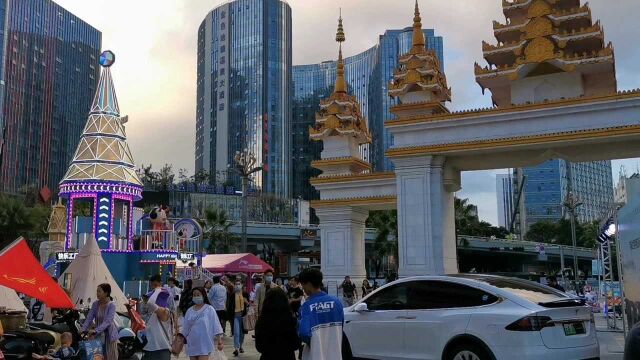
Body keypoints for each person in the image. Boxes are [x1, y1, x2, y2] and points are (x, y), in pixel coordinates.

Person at [297, 268, 344, 360]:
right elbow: (341, 326)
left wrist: (315, 342)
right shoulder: (337, 302)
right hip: (335, 353)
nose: (303, 289)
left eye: (303, 286)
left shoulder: (307, 306)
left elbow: (303, 333)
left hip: (315, 355)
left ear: (309, 284)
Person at [255, 288, 301, 360]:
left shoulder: (261, 321)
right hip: (288, 356)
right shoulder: (291, 320)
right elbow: (296, 344)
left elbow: (259, 347)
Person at [182, 287, 224, 360]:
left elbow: (216, 325)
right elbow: (185, 328)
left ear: (203, 295)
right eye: (194, 295)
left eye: (198, 295)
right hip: (192, 343)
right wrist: (181, 340)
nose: (196, 297)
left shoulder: (210, 309)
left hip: (205, 344)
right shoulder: (189, 311)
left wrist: (219, 341)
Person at [81, 283, 119, 360]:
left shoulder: (112, 305)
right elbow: (89, 317)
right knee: (95, 357)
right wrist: (83, 329)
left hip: (108, 335)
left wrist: (96, 330)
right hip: (97, 334)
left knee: (108, 356)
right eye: (97, 291)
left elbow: (108, 321)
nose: (97, 293)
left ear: (106, 293)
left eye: (99, 291)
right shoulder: (95, 304)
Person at [139, 291, 173, 360]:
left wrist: (157, 290)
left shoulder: (165, 312)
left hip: (161, 351)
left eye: (150, 298)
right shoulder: (153, 314)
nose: (146, 301)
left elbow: (150, 303)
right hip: (149, 349)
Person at [229, 279, 249, 356]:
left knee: (242, 333)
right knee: (236, 332)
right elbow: (230, 306)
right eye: (236, 284)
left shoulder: (245, 294)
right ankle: (236, 348)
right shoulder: (232, 295)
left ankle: (241, 346)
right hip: (235, 316)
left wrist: (246, 302)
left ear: (242, 285)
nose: (237, 285)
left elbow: (248, 305)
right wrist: (230, 317)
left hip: (243, 316)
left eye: (239, 284)